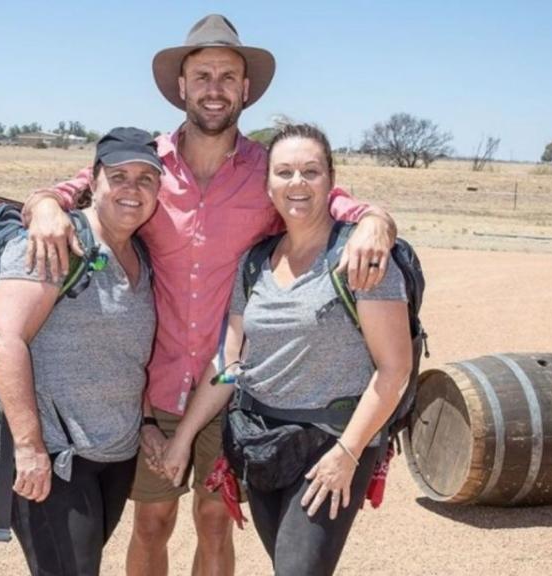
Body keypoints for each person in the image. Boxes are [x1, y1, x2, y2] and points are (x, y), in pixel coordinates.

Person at [21, 15, 399, 576]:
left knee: (215, 519)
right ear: (182, 86)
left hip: (232, 388)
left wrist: (376, 219)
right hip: (152, 387)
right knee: (151, 523)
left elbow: (328, 200)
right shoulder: (145, 163)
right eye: (202, 76)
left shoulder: (267, 171)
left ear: (245, 90)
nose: (215, 88)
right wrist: (47, 203)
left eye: (227, 76)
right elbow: (80, 184)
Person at [160, 123, 413, 575]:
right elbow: (229, 363)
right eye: (284, 172)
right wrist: (182, 440)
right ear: (269, 185)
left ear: (331, 181)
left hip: (331, 444)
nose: (297, 183)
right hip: (262, 442)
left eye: (310, 172)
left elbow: (394, 370)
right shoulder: (256, 261)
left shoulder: (359, 259)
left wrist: (347, 455)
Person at [0, 127, 162, 576]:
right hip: (53, 452)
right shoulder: (54, 243)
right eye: (118, 176)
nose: (131, 189)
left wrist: (148, 422)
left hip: (112, 455)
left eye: (146, 179)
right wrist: (29, 446)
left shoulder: (141, 254)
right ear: (92, 182)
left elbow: (129, 355)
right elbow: (4, 337)